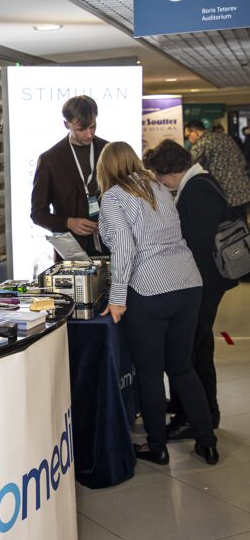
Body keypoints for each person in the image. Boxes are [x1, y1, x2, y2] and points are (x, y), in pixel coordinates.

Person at [97, 141, 218, 466]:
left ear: (105, 168)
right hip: (188, 283)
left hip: (150, 290)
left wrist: (117, 298)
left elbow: (124, 248)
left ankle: (157, 447)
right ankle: (207, 442)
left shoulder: (113, 196)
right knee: (182, 367)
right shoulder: (158, 187)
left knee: (150, 374)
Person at [143, 140, 237, 437]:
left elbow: (195, 244)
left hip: (203, 282)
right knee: (199, 347)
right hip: (206, 281)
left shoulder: (197, 190)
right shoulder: (200, 182)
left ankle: (194, 416)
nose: (161, 184)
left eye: (160, 177)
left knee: (189, 353)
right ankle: (205, 411)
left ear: (171, 171)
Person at [31, 95, 109, 256]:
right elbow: (38, 214)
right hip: (71, 252)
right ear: (66, 124)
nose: (89, 134)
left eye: (93, 127)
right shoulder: (50, 160)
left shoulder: (109, 151)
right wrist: (68, 222)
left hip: (110, 246)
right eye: (81, 129)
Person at [185, 119, 250, 219]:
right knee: (242, 225)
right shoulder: (226, 137)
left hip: (224, 195)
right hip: (242, 192)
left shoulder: (201, 144)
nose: (188, 140)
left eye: (187, 136)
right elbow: (242, 161)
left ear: (195, 132)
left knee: (228, 227)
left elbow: (190, 168)